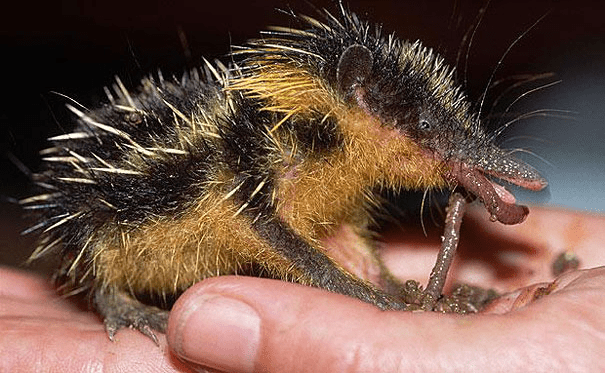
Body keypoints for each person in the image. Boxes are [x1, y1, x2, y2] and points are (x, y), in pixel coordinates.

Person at [1, 206, 604, 372]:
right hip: (115, 235)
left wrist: (381, 289)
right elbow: (271, 228)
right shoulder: (276, 174)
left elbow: (331, 237)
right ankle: (112, 295)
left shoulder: (328, 190)